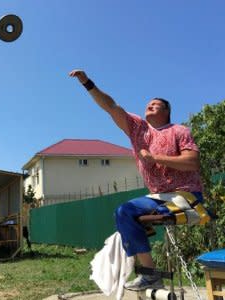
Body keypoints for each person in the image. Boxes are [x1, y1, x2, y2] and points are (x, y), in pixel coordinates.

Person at [69, 69, 204, 290]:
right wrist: (87, 82)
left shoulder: (179, 131)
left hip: (186, 195)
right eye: (147, 104)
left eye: (155, 104)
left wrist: (154, 157)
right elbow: (111, 106)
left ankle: (144, 249)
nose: (149, 105)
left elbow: (192, 162)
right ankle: (150, 274)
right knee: (124, 211)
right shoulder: (138, 129)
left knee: (132, 216)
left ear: (167, 111)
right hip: (158, 197)